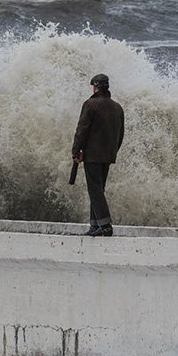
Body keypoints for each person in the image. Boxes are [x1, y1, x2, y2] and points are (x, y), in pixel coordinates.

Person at [72, 73, 124, 236]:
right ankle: (95, 225)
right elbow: (120, 133)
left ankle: (105, 225)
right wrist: (113, 151)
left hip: (93, 154)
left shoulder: (90, 104)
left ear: (95, 87)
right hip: (108, 154)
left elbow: (81, 130)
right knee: (98, 189)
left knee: (95, 190)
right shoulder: (117, 107)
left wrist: (76, 151)